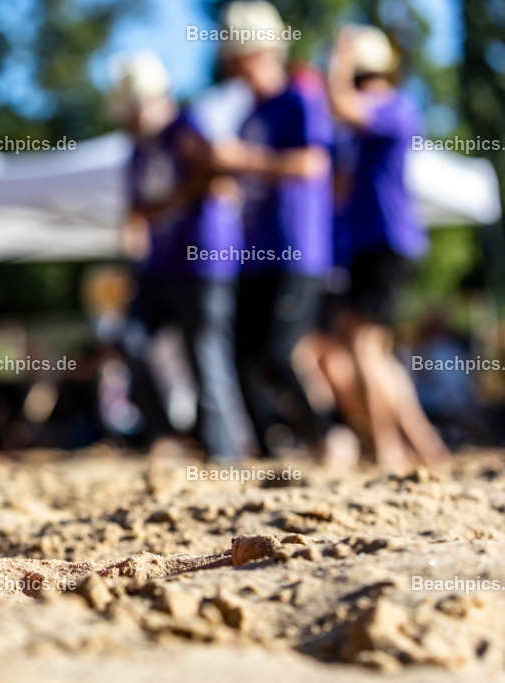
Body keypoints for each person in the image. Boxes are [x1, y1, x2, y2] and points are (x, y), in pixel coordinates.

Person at [212, 1, 354, 462]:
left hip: (298, 252)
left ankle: (329, 438)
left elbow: (313, 163)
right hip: (253, 255)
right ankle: (273, 453)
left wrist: (243, 160)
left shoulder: (299, 96)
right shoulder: (248, 114)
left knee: (277, 351)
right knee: (239, 358)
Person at [111, 51, 245, 461]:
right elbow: (137, 208)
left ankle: (222, 452)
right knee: (130, 339)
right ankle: (165, 434)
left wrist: (171, 199)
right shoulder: (137, 150)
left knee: (205, 354)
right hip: (161, 266)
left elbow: (221, 178)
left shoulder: (188, 127)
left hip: (204, 262)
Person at [326, 24, 449, 469]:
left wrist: (338, 57)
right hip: (370, 243)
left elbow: (340, 103)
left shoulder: (394, 107)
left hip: (387, 240)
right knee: (373, 349)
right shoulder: (365, 124)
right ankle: (424, 444)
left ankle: (388, 450)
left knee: (361, 345)